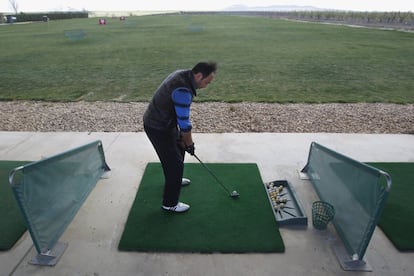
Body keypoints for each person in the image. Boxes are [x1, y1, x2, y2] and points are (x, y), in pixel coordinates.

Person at [143, 61, 217, 213]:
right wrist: (189, 143)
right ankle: (169, 204)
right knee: (174, 164)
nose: (205, 86)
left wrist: (184, 142)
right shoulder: (183, 89)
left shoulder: (183, 74)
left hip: (165, 123)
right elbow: (184, 124)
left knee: (178, 149)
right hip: (157, 127)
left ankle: (174, 180)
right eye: (206, 82)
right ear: (198, 75)